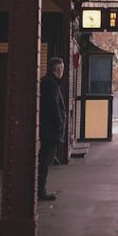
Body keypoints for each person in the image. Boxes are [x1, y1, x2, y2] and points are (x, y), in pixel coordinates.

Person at [39, 57, 67, 201]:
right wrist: (60, 123)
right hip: (51, 130)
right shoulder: (51, 84)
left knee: (44, 160)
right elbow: (54, 106)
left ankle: (40, 189)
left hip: (47, 128)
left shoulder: (46, 82)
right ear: (58, 69)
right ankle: (41, 190)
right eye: (62, 68)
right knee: (45, 161)